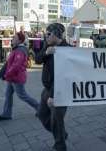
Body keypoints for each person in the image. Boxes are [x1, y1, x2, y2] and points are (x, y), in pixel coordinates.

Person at [36, 23, 70, 151]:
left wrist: (53, 96)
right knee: (41, 115)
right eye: (46, 34)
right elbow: (38, 60)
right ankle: (61, 134)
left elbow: (62, 76)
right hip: (47, 89)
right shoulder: (48, 46)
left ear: (56, 34)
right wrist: (46, 53)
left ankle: (60, 145)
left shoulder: (67, 49)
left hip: (60, 91)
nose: (46, 36)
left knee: (56, 120)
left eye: (49, 34)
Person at [0, 32, 39, 121]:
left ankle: (40, 109)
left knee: (23, 96)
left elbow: (16, 65)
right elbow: (10, 63)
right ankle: (6, 114)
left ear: (19, 40)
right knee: (8, 95)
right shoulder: (16, 49)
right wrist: (4, 73)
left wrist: (6, 74)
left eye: (14, 38)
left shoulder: (20, 50)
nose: (12, 39)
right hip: (12, 77)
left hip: (16, 78)